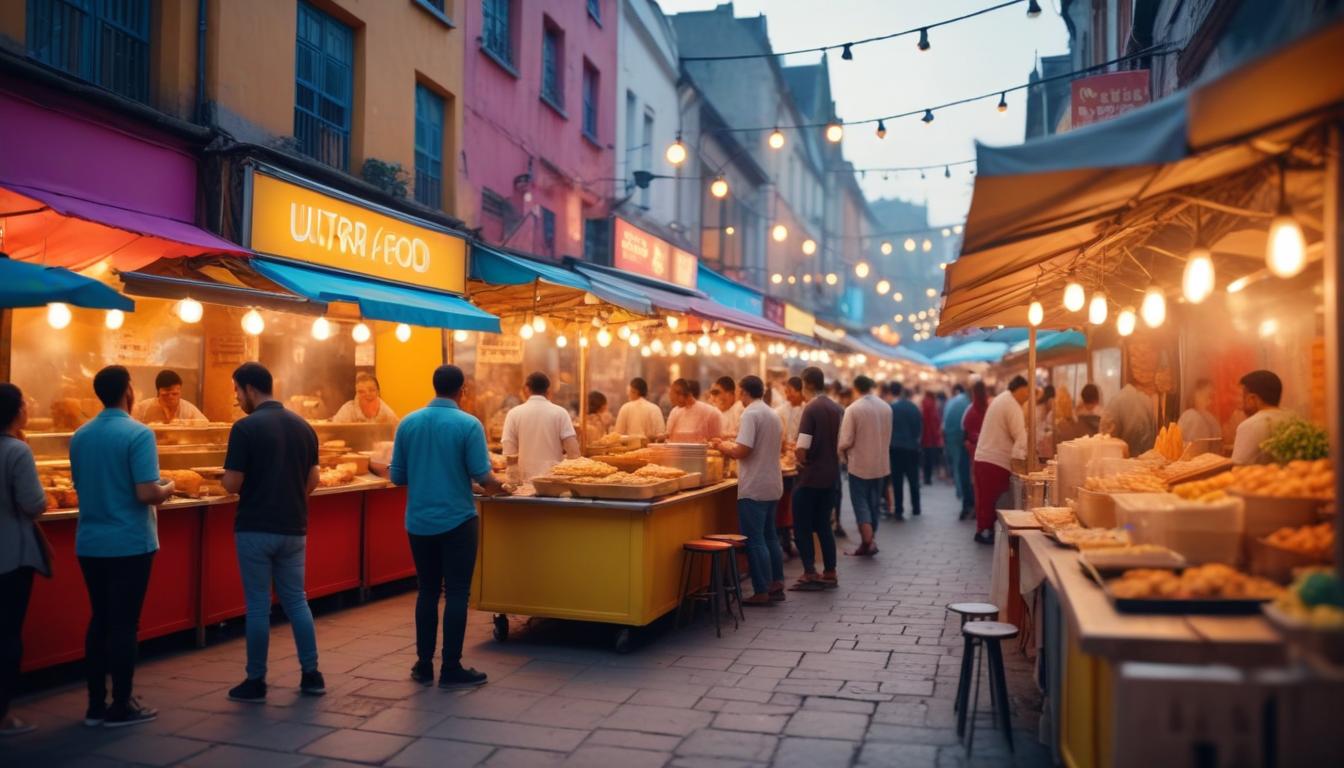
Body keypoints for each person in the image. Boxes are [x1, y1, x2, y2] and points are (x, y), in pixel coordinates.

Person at [384, 365, 506, 689]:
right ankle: (451, 667)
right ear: (462, 391)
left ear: (434, 386)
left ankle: (423, 665)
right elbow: (483, 474)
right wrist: (499, 487)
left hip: (419, 522)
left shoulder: (408, 423)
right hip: (458, 521)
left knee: (426, 590)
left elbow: (396, 476)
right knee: (456, 593)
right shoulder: (468, 424)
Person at [70, 366, 175, 727]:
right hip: (130, 542)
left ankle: (95, 706)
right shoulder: (138, 434)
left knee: (99, 620)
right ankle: (122, 704)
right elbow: (147, 492)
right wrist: (169, 487)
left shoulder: (80, 436)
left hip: (90, 543)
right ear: (128, 391)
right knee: (125, 624)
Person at [221, 362, 324, 703]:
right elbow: (314, 479)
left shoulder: (245, 428)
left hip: (254, 528)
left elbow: (233, 483)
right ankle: (311, 674)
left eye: (237, 390)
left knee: (257, 607)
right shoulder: (304, 427)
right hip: (294, 527)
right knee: (297, 602)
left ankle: (256, 680)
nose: (236, 398)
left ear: (250, 389)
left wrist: (223, 481)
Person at [0, 384, 49, 736]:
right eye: (25, 403)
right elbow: (34, 504)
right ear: (15, 412)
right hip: (11, 555)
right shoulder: (17, 451)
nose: (28, 407)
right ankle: (3, 715)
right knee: (7, 634)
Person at [711, 376, 784, 606]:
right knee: (770, 536)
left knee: (755, 540)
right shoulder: (772, 413)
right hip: (772, 484)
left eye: (740, 393)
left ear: (743, 393)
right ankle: (777, 582)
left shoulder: (750, 414)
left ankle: (761, 589)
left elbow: (743, 451)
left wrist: (721, 446)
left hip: (754, 486)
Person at [789, 367, 842, 591]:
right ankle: (830, 571)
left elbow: (802, 446)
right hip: (831, 475)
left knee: (801, 525)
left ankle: (810, 571)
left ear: (805, 383)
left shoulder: (811, 408)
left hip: (810, 476)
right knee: (823, 524)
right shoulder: (836, 407)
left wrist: (798, 458)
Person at [838, 376, 892, 557]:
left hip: (859, 464)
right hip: (881, 463)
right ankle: (868, 540)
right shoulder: (886, 407)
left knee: (860, 502)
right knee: (874, 503)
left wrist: (842, 455)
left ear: (855, 388)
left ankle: (868, 542)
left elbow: (845, 440)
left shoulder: (853, 409)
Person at [972, 376, 1030, 544]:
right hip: (995, 459)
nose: (1027, 396)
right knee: (991, 498)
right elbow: (1020, 437)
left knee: (985, 498)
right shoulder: (1011, 405)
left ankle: (983, 530)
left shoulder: (1002, 399)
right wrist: (1022, 463)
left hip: (985, 457)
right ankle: (985, 532)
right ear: (1018, 389)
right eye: (1026, 392)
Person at [501, 372, 580, 482]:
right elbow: (573, 452)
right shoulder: (560, 413)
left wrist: (514, 481)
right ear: (548, 390)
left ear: (527, 389)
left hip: (525, 480)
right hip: (554, 480)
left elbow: (509, 452)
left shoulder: (514, 413)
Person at [1231, 370, 1290, 464]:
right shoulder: (1293, 419)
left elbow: (1237, 468)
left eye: (1242, 397)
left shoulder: (1249, 426)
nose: (1240, 406)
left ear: (1252, 399)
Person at [888, 382, 922, 520]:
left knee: (897, 480)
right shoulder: (914, 408)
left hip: (896, 448)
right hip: (911, 448)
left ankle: (899, 509)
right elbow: (918, 429)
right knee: (913, 479)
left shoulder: (892, 408)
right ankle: (916, 507)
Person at [1101, 375, 1157, 457]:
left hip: (1122, 465)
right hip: (1145, 464)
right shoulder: (1148, 402)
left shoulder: (1116, 401)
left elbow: (1105, 440)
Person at [959, 382, 990, 521]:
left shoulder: (970, 409)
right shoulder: (989, 408)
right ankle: (978, 509)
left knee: (970, 480)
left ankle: (969, 507)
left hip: (971, 450)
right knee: (981, 483)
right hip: (985, 451)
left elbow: (964, 430)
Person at [942, 384, 973, 519]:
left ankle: (961, 493)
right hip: (959, 438)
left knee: (957, 466)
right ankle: (964, 495)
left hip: (951, 436)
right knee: (963, 468)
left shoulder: (956, 401)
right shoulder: (967, 403)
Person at [131, 369, 207, 424]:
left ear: (180, 391)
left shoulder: (189, 409)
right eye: (166, 394)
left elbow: (205, 426)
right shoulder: (143, 407)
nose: (171, 397)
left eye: (175, 394)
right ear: (158, 392)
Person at [665, 379, 723, 443]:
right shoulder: (674, 412)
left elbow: (717, 442)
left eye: (671, 394)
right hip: (675, 452)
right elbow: (668, 438)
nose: (670, 398)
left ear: (681, 395)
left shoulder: (712, 412)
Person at [331, 372, 399, 425]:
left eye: (371, 390)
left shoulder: (385, 412)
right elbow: (333, 430)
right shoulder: (348, 410)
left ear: (378, 392)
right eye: (361, 392)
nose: (367, 395)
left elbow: (398, 432)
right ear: (356, 393)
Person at [1178, 378, 1222, 445]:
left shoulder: (1211, 418)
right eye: (1203, 394)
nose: (1209, 400)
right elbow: (1180, 443)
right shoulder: (1189, 416)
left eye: (1211, 396)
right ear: (1195, 394)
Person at [920, 390, 944, 485]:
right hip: (930, 437)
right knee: (929, 458)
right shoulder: (931, 405)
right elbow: (934, 421)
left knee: (925, 458)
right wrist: (937, 435)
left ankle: (926, 477)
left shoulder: (924, 403)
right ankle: (928, 478)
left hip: (924, 436)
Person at [775, 376, 804, 445]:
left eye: (790, 391)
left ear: (800, 392)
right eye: (786, 392)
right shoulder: (781, 410)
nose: (787, 395)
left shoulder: (807, 409)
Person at [1035, 385, 1057, 460]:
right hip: (1038, 442)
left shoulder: (1043, 408)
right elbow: (1039, 429)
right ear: (1050, 398)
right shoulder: (1040, 410)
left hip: (1040, 442)